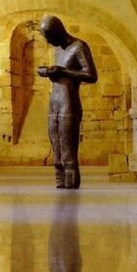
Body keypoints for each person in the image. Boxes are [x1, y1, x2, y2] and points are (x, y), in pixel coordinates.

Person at [37, 15, 97, 189]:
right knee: (56, 146)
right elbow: (61, 74)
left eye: (48, 37)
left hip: (69, 103)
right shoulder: (57, 50)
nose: (48, 42)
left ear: (57, 32)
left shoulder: (78, 47)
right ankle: (60, 183)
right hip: (54, 103)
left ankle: (71, 187)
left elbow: (91, 75)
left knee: (68, 149)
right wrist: (50, 72)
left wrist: (64, 71)